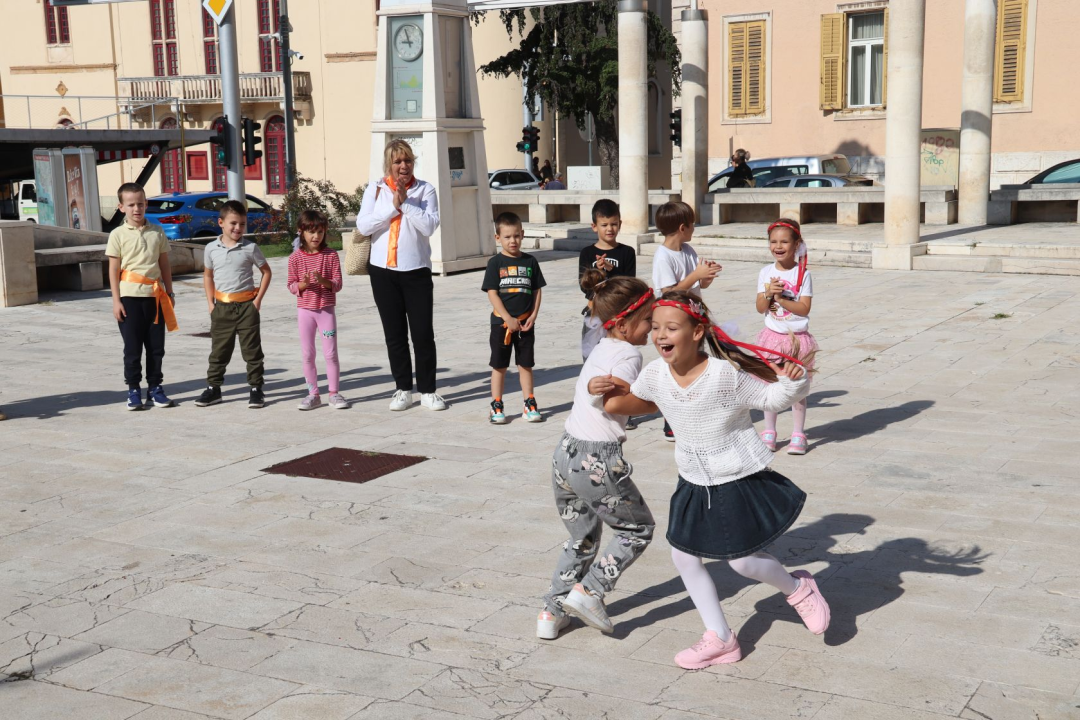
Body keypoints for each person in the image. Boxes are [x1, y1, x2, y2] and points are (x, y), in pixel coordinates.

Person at [599, 291, 830, 668]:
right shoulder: (655, 374)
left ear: (697, 332)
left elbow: (772, 399)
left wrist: (793, 382)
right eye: (655, 327)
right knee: (683, 557)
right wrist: (605, 391)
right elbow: (639, 397)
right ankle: (721, 638)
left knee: (742, 563)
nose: (660, 335)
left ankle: (799, 588)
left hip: (735, 478)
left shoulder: (724, 376)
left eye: (671, 327)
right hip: (692, 481)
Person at [538, 271, 656, 640]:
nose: (653, 328)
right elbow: (616, 401)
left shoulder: (600, 348)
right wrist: (663, 402)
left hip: (566, 453)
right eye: (648, 320)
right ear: (622, 324)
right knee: (637, 529)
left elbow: (594, 392)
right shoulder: (628, 353)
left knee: (582, 538)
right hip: (596, 460)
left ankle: (551, 613)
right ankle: (589, 592)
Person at [356, 139, 446, 412]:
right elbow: (363, 225)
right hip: (382, 272)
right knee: (394, 334)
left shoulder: (425, 189)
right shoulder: (375, 189)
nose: (403, 166)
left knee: (422, 333)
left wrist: (405, 204)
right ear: (389, 165)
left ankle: (428, 390)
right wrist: (392, 206)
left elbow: (429, 226)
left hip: (415, 271)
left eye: (407, 160)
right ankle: (403, 389)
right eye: (397, 161)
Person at [652, 201, 720, 440]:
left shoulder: (688, 251)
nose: (694, 228)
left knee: (696, 364)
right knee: (677, 368)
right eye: (692, 224)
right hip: (675, 322)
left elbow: (698, 284)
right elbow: (669, 293)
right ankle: (671, 420)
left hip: (694, 318)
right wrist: (695, 276)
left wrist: (706, 276)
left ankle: (694, 412)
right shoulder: (663, 256)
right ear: (683, 227)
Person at [105, 182, 177, 410]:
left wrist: (170, 291)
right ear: (121, 207)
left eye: (140, 204)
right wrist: (116, 301)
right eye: (131, 204)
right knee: (133, 348)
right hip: (129, 297)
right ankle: (133, 389)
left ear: (146, 204)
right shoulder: (117, 234)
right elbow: (113, 270)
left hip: (155, 296)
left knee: (156, 347)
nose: (137, 209)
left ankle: (155, 388)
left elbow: (164, 264)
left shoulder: (157, 231)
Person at [195, 200, 272, 409]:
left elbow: (267, 272)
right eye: (233, 223)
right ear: (221, 222)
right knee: (219, 351)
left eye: (242, 224)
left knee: (252, 351)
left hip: (247, 307)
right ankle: (214, 389)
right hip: (222, 308)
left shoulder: (250, 248)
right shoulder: (211, 248)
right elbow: (208, 275)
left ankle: (256, 388)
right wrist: (211, 303)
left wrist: (257, 301)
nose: (238, 228)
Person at [756, 219, 817, 455]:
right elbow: (760, 307)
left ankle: (798, 434)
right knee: (770, 385)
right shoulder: (765, 272)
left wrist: (782, 300)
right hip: (772, 338)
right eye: (773, 241)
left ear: (796, 244)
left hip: (796, 341)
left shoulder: (803, 274)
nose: (778, 246)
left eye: (784, 241)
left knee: (797, 388)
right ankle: (769, 431)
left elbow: (804, 308)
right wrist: (769, 294)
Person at [482, 212, 546, 424]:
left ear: (523, 235)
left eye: (517, 236)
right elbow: (492, 293)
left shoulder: (530, 261)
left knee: (525, 364)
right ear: (497, 238)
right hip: (502, 323)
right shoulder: (495, 263)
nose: (513, 241)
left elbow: (536, 290)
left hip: (526, 323)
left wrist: (534, 316)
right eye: (507, 237)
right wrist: (508, 318)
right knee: (499, 365)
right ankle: (496, 405)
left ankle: (529, 402)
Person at [287, 209, 348, 411]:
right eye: (311, 231)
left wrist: (324, 281)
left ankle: (334, 393)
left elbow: (338, 284)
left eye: (320, 232)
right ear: (301, 232)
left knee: (330, 354)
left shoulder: (331, 255)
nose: (316, 236)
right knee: (307, 354)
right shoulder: (295, 258)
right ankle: (313, 394)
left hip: (326, 311)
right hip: (305, 311)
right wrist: (302, 285)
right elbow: (291, 286)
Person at [579, 199, 636, 361]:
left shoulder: (627, 252)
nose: (610, 229)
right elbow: (584, 287)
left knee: (619, 357)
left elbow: (631, 285)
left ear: (620, 224)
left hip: (620, 314)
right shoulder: (587, 253)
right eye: (604, 225)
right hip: (594, 313)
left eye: (614, 224)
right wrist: (596, 273)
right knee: (591, 358)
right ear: (594, 226)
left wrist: (613, 271)